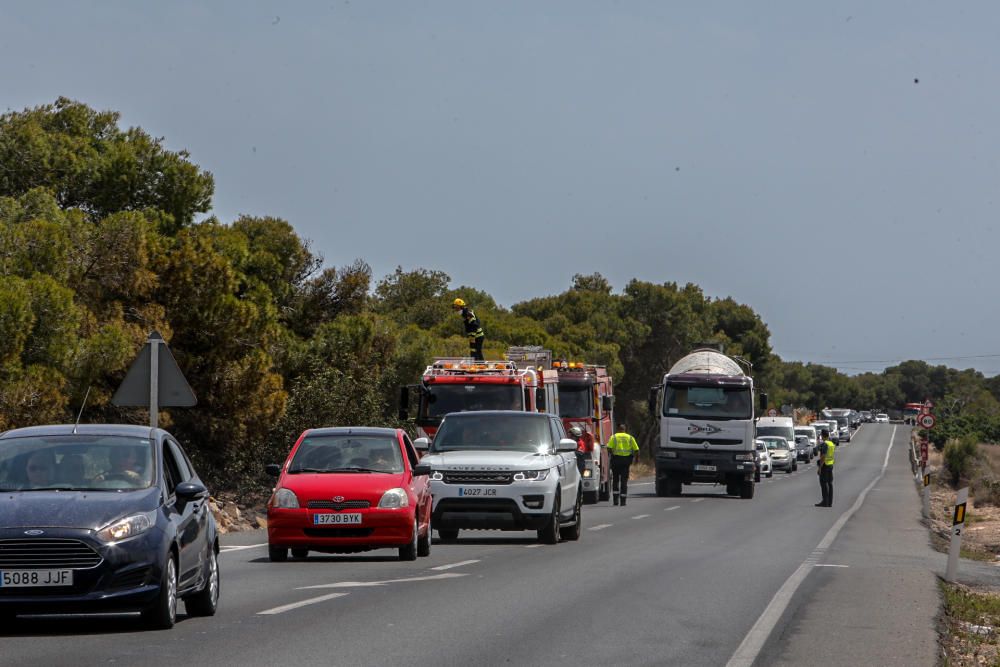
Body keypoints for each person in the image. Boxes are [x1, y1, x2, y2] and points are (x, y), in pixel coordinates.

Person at [606, 423, 639, 506]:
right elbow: (636, 450)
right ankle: (623, 501)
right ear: (625, 430)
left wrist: (611, 454)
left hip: (616, 460)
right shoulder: (630, 438)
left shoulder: (614, 437)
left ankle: (615, 501)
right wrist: (636, 460)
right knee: (624, 481)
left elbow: (609, 448)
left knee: (616, 480)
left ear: (618, 429)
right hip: (626, 462)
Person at [816, 429, 835, 507]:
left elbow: (823, 456)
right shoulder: (831, 443)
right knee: (830, 483)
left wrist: (820, 467)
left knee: (824, 484)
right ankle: (829, 502)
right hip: (830, 465)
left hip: (825, 465)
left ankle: (825, 502)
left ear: (822, 436)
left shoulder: (825, 444)